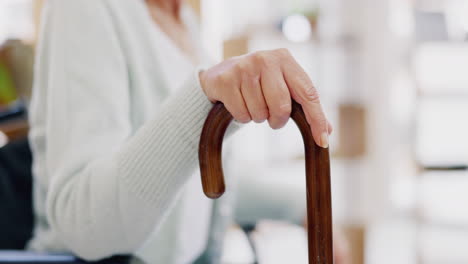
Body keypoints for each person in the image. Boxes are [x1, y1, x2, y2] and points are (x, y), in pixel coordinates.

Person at [20, 0, 337, 263]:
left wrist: (302, 206)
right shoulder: (84, 8)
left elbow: (198, 189)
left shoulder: (186, 22)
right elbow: (86, 224)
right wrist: (203, 102)